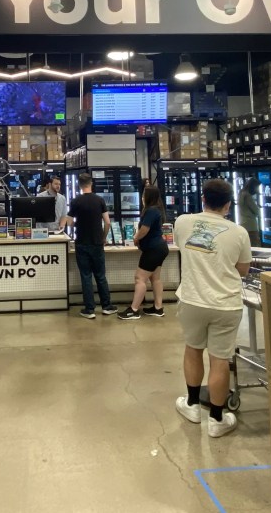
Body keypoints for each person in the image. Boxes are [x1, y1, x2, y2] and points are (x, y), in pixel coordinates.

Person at [173, 179, 252, 438]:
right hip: (226, 304)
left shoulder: (183, 222)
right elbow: (242, 270)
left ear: (203, 198)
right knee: (220, 359)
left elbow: (181, 248)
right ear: (228, 204)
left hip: (192, 300)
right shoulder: (239, 233)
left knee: (193, 349)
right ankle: (217, 419)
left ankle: (193, 405)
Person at [60, 173, 117, 319]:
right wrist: (103, 237)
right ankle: (106, 306)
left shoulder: (76, 201)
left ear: (79, 185)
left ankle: (89, 309)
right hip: (97, 243)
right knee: (101, 276)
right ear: (91, 183)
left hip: (82, 243)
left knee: (86, 276)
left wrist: (77, 224)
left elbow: (69, 222)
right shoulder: (99, 200)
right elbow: (108, 222)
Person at [119, 186, 169, 320]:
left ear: (148, 197)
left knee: (139, 278)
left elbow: (144, 229)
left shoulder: (151, 211)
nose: (141, 198)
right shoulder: (157, 210)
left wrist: (136, 238)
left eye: (143, 195)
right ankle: (158, 308)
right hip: (160, 248)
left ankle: (134, 310)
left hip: (153, 249)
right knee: (155, 278)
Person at [238, 178, 262, 248]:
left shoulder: (241, 193)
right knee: (255, 244)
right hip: (251, 224)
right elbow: (256, 210)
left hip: (242, 222)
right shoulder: (248, 196)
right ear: (253, 186)